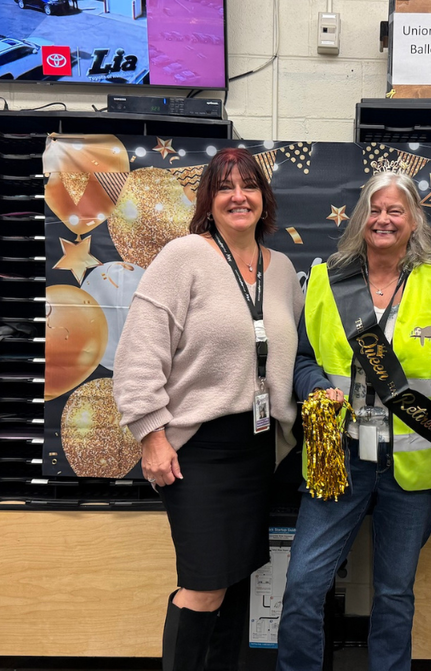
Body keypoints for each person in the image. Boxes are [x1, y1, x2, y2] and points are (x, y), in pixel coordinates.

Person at [276, 171, 431, 671]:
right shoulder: (325, 279)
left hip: (413, 465)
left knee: (393, 591)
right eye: (375, 208)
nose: (383, 219)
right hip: (339, 460)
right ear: (361, 217)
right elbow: (301, 359)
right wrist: (314, 387)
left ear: (414, 222)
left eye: (396, 211)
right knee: (304, 584)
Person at [113, 148, 303, 671]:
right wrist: (151, 434)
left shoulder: (282, 269)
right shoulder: (185, 256)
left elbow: (294, 352)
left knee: (237, 582)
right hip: (199, 451)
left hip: (261, 448)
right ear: (209, 201)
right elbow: (137, 355)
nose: (238, 196)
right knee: (203, 587)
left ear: (264, 198)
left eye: (248, 185)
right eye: (225, 187)